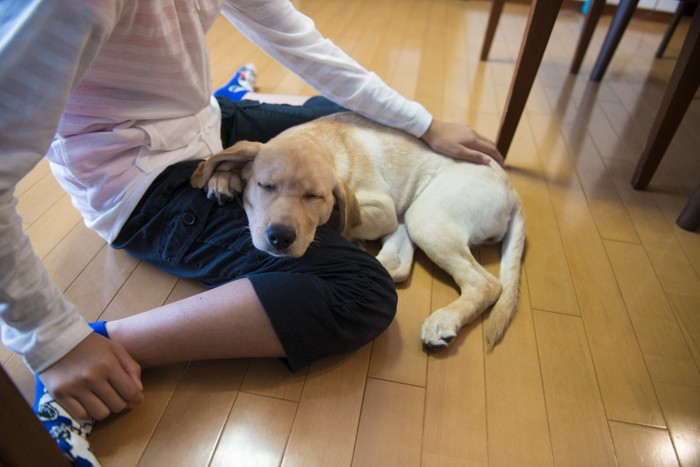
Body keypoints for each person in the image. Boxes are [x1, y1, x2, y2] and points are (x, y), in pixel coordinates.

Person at [0, 0, 503, 464]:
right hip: (142, 180)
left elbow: (297, 41)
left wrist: (425, 124)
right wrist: (55, 340)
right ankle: (107, 340)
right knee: (360, 291)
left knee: (332, 114)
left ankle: (238, 117)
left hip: (206, 122)